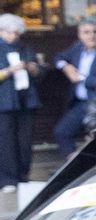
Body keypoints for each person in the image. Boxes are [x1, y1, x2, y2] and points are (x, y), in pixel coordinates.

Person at [52, 19, 96, 158]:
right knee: (61, 132)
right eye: (87, 32)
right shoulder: (77, 48)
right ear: (79, 35)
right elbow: (58, 57)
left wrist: (82, 78)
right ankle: (72, 166)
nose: (92, 36)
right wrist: (66, 67)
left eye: (95, 32)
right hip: (79, 103)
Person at [0, 14, 41, 193]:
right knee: (6, 141)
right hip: (5, 102)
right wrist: (9, 70)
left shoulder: (25, 49)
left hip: (26, 100)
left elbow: (39, 71)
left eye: (16, 33)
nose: (13, 36)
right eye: (9, 32)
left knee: (25, 141)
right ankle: (8, 179)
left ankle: (23, 176)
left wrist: (34, 68)